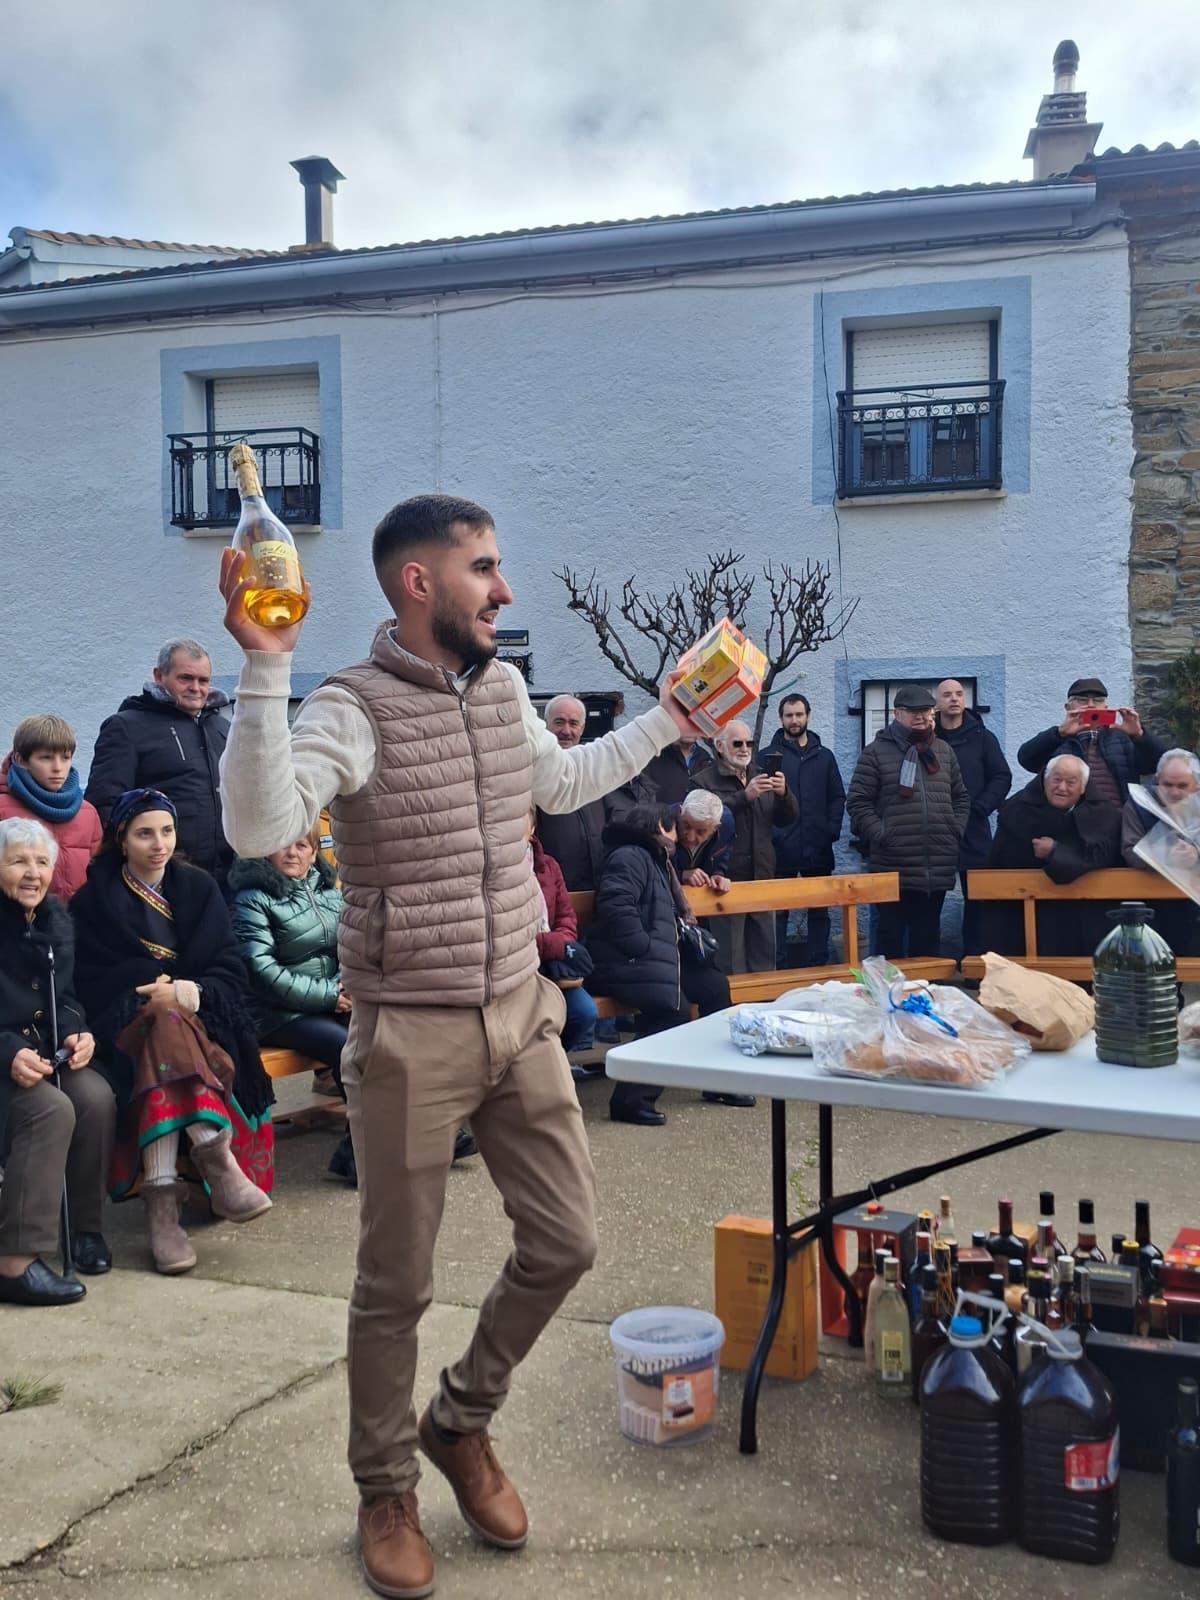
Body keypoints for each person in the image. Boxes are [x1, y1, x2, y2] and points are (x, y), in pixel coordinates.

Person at [217, 491, 695, 1597]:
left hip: (521, 1011)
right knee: (396, 1281)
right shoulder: (350, 706)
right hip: (409, 1030)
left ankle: (460, 1418)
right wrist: (264, 666)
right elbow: (259, 827)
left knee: (567, 1241)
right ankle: (384, 1487)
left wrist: (670, 717)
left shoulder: (505, 688)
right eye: (485, 568)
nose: (504, 588)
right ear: (418, 581)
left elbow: (561, 781)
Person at [70, 790, 274, 1276]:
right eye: (144, 834)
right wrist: (143, 990)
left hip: (204, 1021)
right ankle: (217, 1160)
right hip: (123, 1028)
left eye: (167, 831)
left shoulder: (198, 887)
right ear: (122, 839)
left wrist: (185, 992)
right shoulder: (92, 901)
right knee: (161, 1022)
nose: (158, 844)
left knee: (168, 1023)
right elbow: (87, 983)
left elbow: (230, 970)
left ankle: (161, 1205)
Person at [0, 818, 113, 1306]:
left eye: (42, 862)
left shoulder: (53, 923)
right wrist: (7, 1052)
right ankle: (15, 1260)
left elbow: (63, 997)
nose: (33, 873)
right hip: (6, 1062)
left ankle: (85, 1231)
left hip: (44, 1055)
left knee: (95, 1097)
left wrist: (75, 1031)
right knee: (50, 1109)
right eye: (18, 861)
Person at [585, 804, 752, 1124]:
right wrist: (644, 947)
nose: (679, 836)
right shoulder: (630, 856)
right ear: (659, 828)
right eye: (674, 828)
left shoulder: (653, 857)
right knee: (672, 1010)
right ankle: (630, 1100)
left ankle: (719, 1080)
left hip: (652, 959)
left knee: (715, 986)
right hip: (622, 962)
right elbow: (616, 909)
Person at [229, 824, 360, 1186]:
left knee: (386, 1034)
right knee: (346, 1047)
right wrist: (329, 995)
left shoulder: (328, 890)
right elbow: (261, 970)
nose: (292, 852)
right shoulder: (252, 897)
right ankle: (359, 1154)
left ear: (315, 852)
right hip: (273, 1013)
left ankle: (399, 1139)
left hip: (328, 1001)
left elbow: (350, 945)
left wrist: (347, 984)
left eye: (302, 845)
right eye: (283, 844)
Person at [85, 639, 233, 880]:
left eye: (203, 680)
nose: (196, 688)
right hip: (159, 877)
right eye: (185, 678)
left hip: (227, 878)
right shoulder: (126, 727)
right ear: (159, 676)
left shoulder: (223, 728)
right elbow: (105, 804)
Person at [846, 684, 970, 959]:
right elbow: (858, 802)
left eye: (926, 710)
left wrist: (955, 830)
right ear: (897, 714)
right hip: (893, 866)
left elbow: (961, 797)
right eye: (914, 711)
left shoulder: (943, 751)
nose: (921, 716)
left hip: (936, 866)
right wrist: (883, 834)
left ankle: (926, 988)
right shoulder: (875, 752)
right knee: (891, 944)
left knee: (927, 945)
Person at [987, 754, 1123, 956]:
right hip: (1028, 914)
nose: (1062, 788)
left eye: (1071, 782)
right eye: (1056, 779)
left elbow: (1102, 858)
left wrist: (1054, 852)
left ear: (1083, 787)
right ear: (1044, 780)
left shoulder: (1104, 813)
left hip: (1085, 915)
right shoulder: (1017, 810)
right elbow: (1000, 862)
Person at [697, 719, 798, 974]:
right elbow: (702, 820)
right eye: (737, 743)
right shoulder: (703, 780)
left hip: (762, 877)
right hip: (726, 883)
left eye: (749, 743)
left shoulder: (760, 774)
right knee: (731, 963)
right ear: (720, 747)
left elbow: (787, 819)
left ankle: (765, 1001)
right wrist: (744, 797)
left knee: (765, 961)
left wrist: (784, 794)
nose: (745, 749)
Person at [762, 693, 845, 966]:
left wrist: (830, 830)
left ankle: (818, 965)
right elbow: (761, 802)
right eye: (789, 715)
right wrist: (772, 836)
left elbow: (837, 797)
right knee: (777, 912)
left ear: (808, 715)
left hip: (817, 846)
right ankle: (776, 968)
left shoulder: (825, 757)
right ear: (781, 718)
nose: (794, 720)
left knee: (819, 912)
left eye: (799, 714)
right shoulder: (767, 757)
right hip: (780, 848)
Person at [933, 680, 1012, 957]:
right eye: (947, 695)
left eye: (959, 694)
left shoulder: (983, 737)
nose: (954, 699)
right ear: (937, 702)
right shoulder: (927, 738)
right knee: (929, 900)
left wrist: (981, 807)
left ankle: (974, 963)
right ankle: (930, 964)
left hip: (974, 828)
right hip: (935, 830)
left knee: (978, 900)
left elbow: (1001, 776)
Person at [1017, 677, 1165, 807]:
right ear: (1068, 707)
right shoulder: (1057, 739)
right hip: (1070, 822)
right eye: (1082, 700)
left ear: (1105, 708)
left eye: (1098, 700)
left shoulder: (1122, 739)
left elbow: (1158, 766)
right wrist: (1059, 734)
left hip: (1120, 820)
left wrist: (1139, 736)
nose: (1091, 705)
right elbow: (1027, 760)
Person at [0, 714, 102, 901]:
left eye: (65, 758)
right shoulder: (3, 808)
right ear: (21, 759)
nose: (58, 767)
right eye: (46, 758)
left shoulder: (87, 813)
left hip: (75, 917)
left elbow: (98, 874)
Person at [526, 812, 597, 1056]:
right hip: (520, 967)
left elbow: (567, 918)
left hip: (553, 965)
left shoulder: (549, 866)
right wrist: (556, 945)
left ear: (532, 828)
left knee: (584, 1012)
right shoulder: (497, 869)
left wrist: (558, 944)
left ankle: (551, 1060)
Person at [1120, 747, 1200, 955]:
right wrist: (1165, 856)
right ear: (1157, 780)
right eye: (1167, 784)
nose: (1174, 792)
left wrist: (1196, 853)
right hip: (1153, 904)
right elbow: (1129, 849)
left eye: (1182, 786)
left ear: (1196, 785)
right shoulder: (1139, 804)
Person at [672, 788, 732, 891]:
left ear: (715, 828)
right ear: (680, 813)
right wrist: (680, 874)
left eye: (700, 832)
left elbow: (723, 852)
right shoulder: (663, 824)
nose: (690, 838)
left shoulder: (726, 826)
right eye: (686, 826)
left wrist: (718, 873)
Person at [641, 730, 715, 806]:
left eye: (694, 725)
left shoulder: (708, 761)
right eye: (686, 724)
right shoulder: (653, 755)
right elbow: (641, 799)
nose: (690, 729)